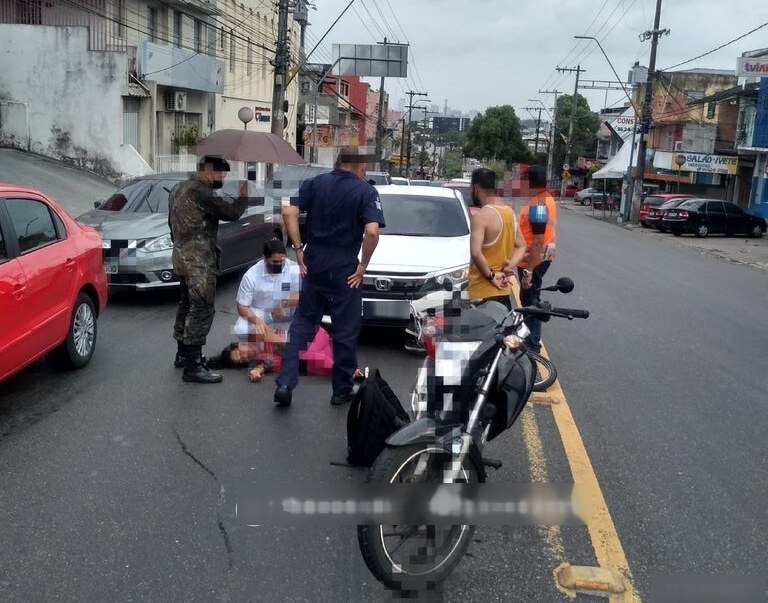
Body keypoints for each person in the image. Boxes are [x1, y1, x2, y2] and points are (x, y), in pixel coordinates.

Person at [273, 146, 385, 407]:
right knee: (345, 330)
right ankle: (341, 389)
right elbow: (371, 233)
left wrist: (298, 250)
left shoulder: (315, 183)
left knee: (303, 323)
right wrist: (363, 266)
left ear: (337, 163)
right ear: (359, 165)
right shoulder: (366, 191)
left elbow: (288, 212)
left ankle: (286, 382)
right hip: (345, 268)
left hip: (315, 263)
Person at [168, 155, 248, 384]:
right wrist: (244, 196)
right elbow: (231, 213)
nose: (223, 178)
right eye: (222, 174)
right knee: (202, 309)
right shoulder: (201, 192)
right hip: (199, 261)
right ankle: (193, 366)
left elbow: (171, 224)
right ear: (210, 171)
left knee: (186, 305)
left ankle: (183, 354)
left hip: (182, 257)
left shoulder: (178, 189)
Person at [214, 238, 300, 382]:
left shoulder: (293, 268)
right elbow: (242, 307)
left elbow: (301, 295)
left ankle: (279, 341)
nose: (279, 265)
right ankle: (261, 348)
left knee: (309, 309)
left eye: (282, 261)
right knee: (241, 328)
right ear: (265, 258)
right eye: (275, 262)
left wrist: (284, 303)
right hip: (262, 312)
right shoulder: (251, 275)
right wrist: (258, 321)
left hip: (287, 309)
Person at [512, 165, 558, 354]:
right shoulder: (543, 198)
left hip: (533, 261)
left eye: (522, 179)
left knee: (531, 304)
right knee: (531, 301)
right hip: (538, 259)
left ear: (530, 181)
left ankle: (531, 347)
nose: (520, 183)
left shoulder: (539, 204)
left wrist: (528, 273)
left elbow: (538, 239)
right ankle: (531, 342)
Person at [467, 167, 527, 309]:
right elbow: (521, 245)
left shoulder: (481, 217)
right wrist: (509, 267)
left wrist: (491, 276)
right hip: (503, 292)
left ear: (475, 187)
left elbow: (475, 253)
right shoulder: (509, 213)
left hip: (481, 294)